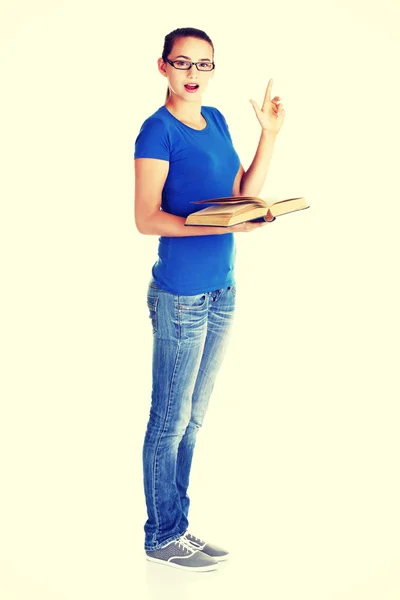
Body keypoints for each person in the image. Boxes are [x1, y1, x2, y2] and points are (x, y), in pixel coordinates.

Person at [133, 27, 285, 572]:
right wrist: (219, 226)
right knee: (168, 421)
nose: (194, 75)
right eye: (183, 64)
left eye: (204, 65)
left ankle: (179, 529)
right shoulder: (157, 132)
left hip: (222, 288)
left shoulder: (216, 120)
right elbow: (146, 218)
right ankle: (161, 535)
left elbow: (242, 195)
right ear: (163, 67)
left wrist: (268, 134)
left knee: (193, 420)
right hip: (181, 297)